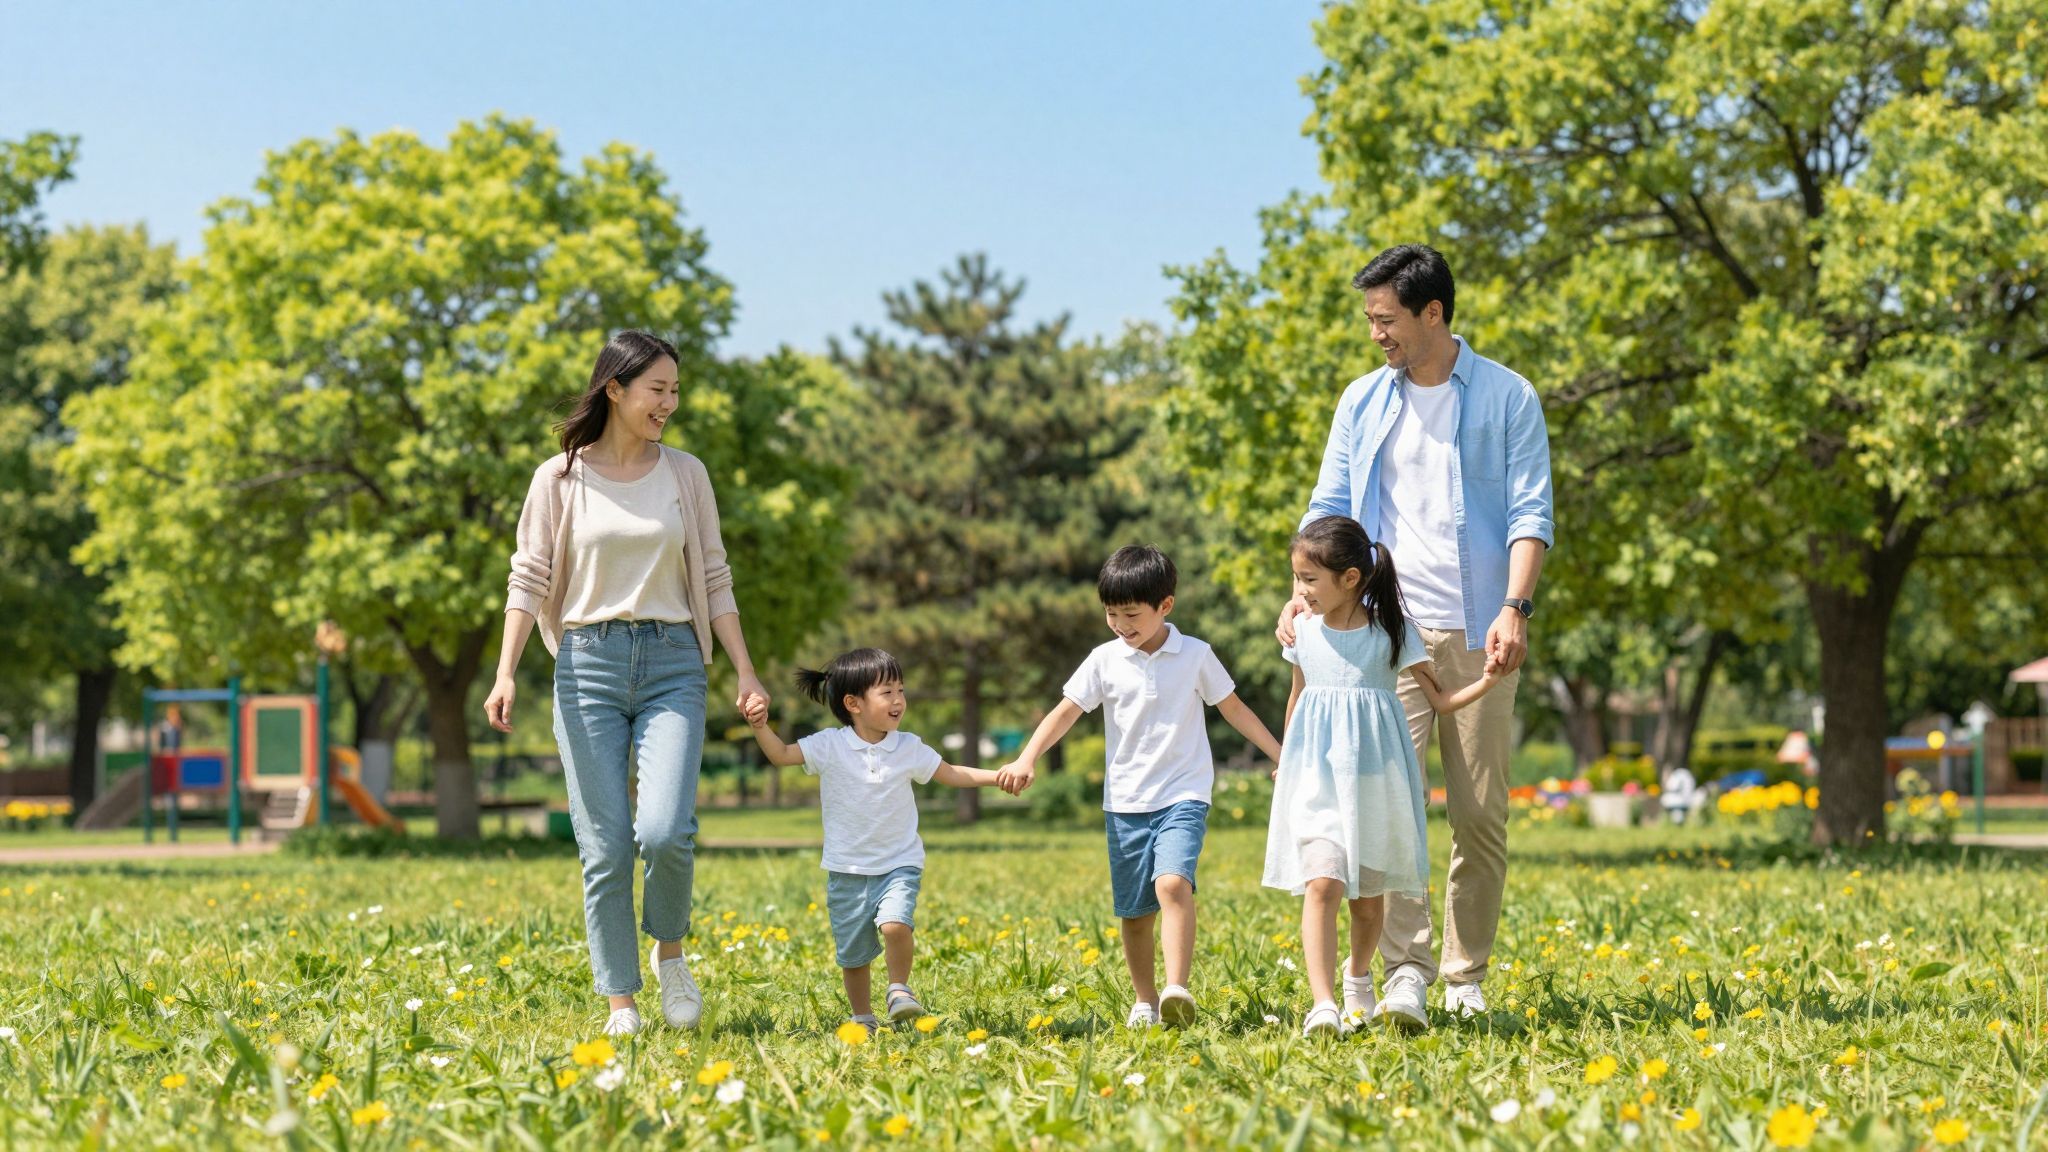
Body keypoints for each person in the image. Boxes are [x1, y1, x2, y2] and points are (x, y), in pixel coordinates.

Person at [1277, 244, 1554, 1027]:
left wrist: (1514, 607)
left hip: (1478, 626)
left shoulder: (1507, 397)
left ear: (1432, 313)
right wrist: (1301, 595)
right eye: (1370, 319)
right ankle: (1406, 971)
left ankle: (1465, 975)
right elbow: (1328, 506)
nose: (1376, 334)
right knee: (1385, 810)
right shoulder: (1362, 402)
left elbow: (1532, 510)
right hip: (1383, 634)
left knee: (1478, 813)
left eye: (1387, 318)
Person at [486, 330, 772, 1037]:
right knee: (607, 844)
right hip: (587, 665)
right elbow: (529, 576)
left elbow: (713, 573)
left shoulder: (685, 474)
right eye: (658, 390)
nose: (669, 403)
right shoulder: (558, 478)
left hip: (674, 659)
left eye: (675, 391)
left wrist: (743, 665)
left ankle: (670, 953)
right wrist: (505, 672)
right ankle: (622, 1000)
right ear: (615, 388)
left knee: (666, 829)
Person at [998, 545, 1283, 1029]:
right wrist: (1028, 756)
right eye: (1111, 614)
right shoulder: (1104, 660)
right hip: (1126, 801)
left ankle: (1177, 988)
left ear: (1165, 606)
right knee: (1134, 913)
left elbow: (1233, 709)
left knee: (1172, 883)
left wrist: (1282, 756)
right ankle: (1146, 1001)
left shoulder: (1195, 655)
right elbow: (1065, 711)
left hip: (1183, 793)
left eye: (1131, 614)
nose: (1120, 625)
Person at [1268, 517, 1497, 1037]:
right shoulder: (1303, 630)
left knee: (1367, 901)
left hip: (1372, 782)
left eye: (1308, 580)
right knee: (1322, 883)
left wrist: (1487, 679)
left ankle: (1357, 979)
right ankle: (1323, 1004)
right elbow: (1297, 696)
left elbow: (1439, 699)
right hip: (1317, 778)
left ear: (1350, 578)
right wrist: (1285, 760)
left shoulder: (1391, 632)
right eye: (1297, 578)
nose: (1299, 592)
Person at [741, 648, 1001, 1034]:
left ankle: (899, 989)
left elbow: (951, 773)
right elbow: (780, 755)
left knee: (896, 925)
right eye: (887, 692)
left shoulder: (908, 746)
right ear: (853, 703)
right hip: (846, 869)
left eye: (901, 690)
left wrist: (998, 776)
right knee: (853, 955)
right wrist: (760, 725)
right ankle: (862, 1016)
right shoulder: (829, 745)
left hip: (899, 862)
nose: (899, 701)